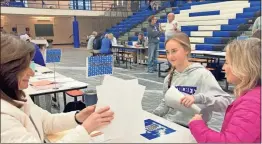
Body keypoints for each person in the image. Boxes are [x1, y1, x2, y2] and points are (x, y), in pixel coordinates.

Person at [0, 34, 114, 143]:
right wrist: (86, 129)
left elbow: (45, 122)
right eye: (24, 68)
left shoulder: (18, 94)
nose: (32, 73)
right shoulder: (3, 119)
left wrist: (78, 117)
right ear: (7, 70)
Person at [153, 32, 233, 131]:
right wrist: (152, 115)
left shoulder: (202, 75)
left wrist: (198, 98)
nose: (170, 56)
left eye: (174, 51)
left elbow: (226, 102)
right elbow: (165, 103)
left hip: (195, 130)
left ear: (186, 50)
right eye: (167, 52)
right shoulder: (169, 78)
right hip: (171, 126)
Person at [188, 38, 261, 143]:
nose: (223, 67)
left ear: (242, 66)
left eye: (227, 62)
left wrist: (197, 125)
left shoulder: (251, 103)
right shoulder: (253, 96)